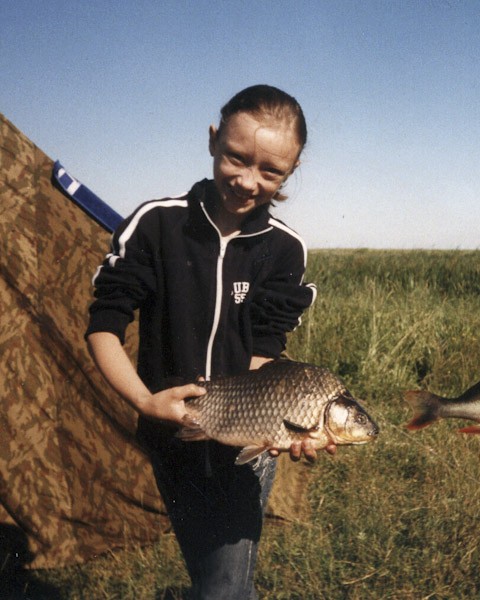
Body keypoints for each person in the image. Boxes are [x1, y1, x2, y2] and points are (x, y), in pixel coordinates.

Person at [86, 84, 334, 599]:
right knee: (210, 571)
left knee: (225, 586)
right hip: (171, 435)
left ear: (292, 170)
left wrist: (288, 425)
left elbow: (265, 353)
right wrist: (145, 401)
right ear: (212, 140)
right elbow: (104, 326)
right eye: (236, 158)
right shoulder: (156, 224)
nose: (247, 181)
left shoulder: (285, 250)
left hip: (245, 445)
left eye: (271, 171)